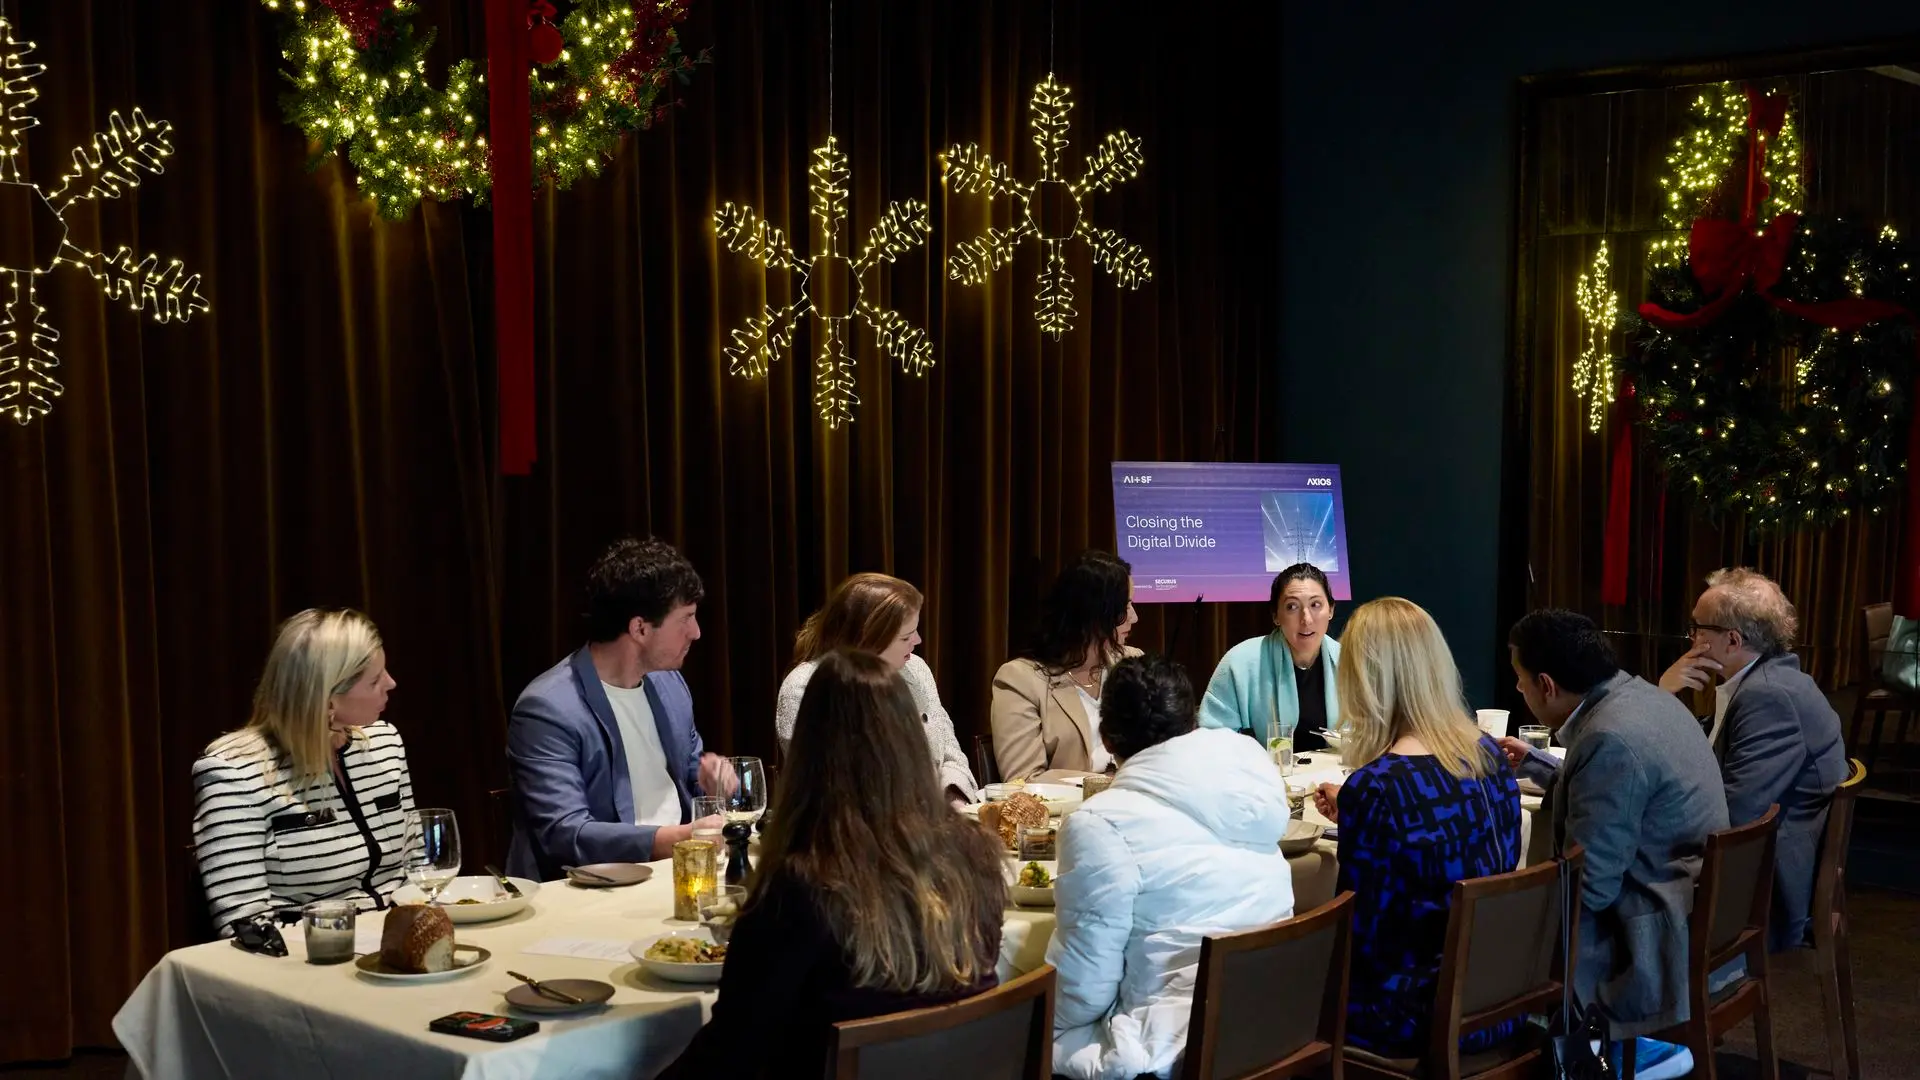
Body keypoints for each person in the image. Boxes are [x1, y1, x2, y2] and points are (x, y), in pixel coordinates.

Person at [659, 650, 1007, 1079]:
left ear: (809, 753)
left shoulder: (801, 885)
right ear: (912, 742)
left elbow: (732, 1052)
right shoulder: (976, 855)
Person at [1502, 609, 1728, 1080]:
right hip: (1691, 899)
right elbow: (1625, 795)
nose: (1519, 690)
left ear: (1546, 684)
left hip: (1648, 933)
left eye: (1520, 680)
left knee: (1481, 938)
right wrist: (1542, 766)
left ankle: (1571, 1048)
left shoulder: (1609, 738)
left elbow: (1591, 889)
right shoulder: (1643, 699)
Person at [1049, 654, 1294, 1080]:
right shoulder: (1249, 766)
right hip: (1273, 1019)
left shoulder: (1100, 824)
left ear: (1106, 739)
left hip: (1172, 1047)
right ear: (1192, 721)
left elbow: (1081, 991)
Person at [1306, 598, 1521, 1059]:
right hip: (1501, 997)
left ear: (1363, 681)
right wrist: (1362, 818)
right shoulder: (1487, 755)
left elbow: (1361, 938)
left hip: (1415, 1016)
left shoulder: (1377, 788)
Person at [505, 538, 732, 881]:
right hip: (595, 892)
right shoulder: (548, 709)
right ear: (640, 628)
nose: (697, 633)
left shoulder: (670, 686)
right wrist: (677, 839)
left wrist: (712, 783)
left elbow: (691, 786)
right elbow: (567, 834)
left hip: (680, 873)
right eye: (686, 618)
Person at [1655, 567, 1848, 950]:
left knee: (1609, 878)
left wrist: (1651, 816)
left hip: (1759, 891)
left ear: (1731, 639)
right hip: (1753, 866)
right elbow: (1703, 753)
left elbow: (1733, 813)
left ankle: (1636, 1003)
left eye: (1697, 628)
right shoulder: (1772, 679)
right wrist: (1665, 693)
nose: (1691, 638)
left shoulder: (1768, 697)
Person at [192, 608, 413, 933]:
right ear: (326, 699)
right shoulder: (235, 770)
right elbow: (246, 925)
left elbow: (419, 869)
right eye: (375, 680)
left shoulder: (384, 743)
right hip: (312, 960)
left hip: (401, 947)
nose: (391, 684)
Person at [775, 573, 979, 803]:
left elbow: (951, 754)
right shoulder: (805, 687)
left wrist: (956, 801)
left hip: (931, 826)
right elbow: (830, 792)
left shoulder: (917, 670)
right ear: (869, 639)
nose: (918, 641)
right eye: (906, 637)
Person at [991, 550, 1141, 780]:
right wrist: (1106, 785)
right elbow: (1023, 780)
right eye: (1126, 606)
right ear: (1096, 613)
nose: (1134, 617)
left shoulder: (1133, 663)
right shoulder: (1020, 680)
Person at [1200, 562, 1341, 752]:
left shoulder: (1347, 660)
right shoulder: (1240, 662)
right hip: (1259, 777)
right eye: (1292, 607)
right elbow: (1212, 738)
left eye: (1315, 605)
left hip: (1333, 777)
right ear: (1276, 615)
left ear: (1331, 610)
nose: (1306, 619)